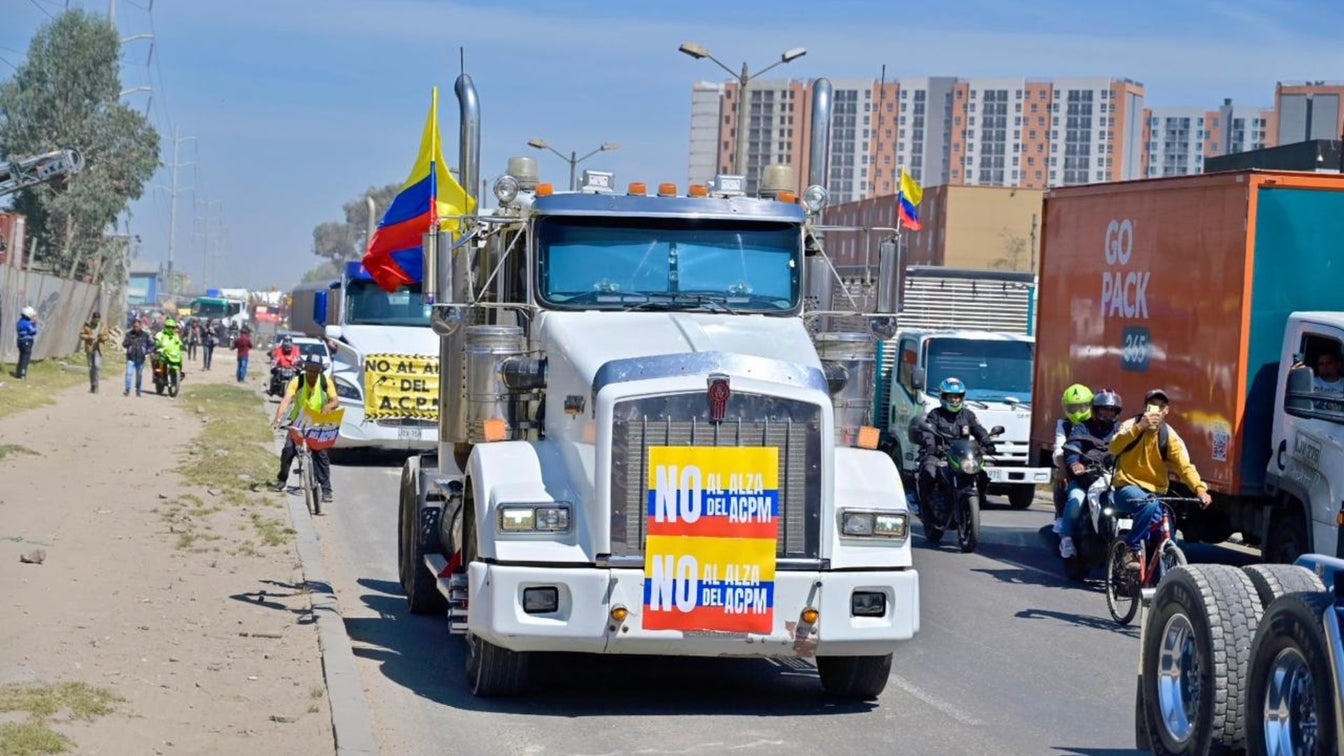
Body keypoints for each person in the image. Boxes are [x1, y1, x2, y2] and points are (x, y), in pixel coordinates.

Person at [1109, 388, 1212, 570]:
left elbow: (1184, 466)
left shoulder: (1168, 435)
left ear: (1166, 411)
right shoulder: (1130, 425)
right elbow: (1114, 447)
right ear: (1145, 408)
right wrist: (1140, 427)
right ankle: (1131, 548)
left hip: (1155, 493)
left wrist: (1200, 489)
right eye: (1152, 405)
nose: (1156, 410)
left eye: (1161, 406)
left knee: (1167, 538)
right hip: (1126, 488)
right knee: (1148, 504)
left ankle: (1162, 587)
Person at [915, 377, 996, 515]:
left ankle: (978, 501)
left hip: (961, 455)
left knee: (981, 474)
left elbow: (978, 429)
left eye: (958, 397)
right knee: (929, 472)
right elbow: (928, 431)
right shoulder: (935, 414)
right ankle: (926, 509)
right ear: (943, 397)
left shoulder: (968, 415)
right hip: (940, 454)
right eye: (951, 397)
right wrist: (930, 446)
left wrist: (987, 442)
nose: (955, 400)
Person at [1057, 389, 1123, 558]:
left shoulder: (1120, 430)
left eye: (1111, 410)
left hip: (1111, 478)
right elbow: (1073, 447)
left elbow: (1130, 449)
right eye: (1104, 409)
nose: (1108, 413)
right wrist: (1075, 463)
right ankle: (1067, 539)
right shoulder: (1082, 427)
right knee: (1075, 500)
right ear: (1096, 410)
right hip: (1084, 479)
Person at [272, 353, 338, 503]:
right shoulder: (298, 381)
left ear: (320, 370)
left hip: (317, 421)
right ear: (305, 367)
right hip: (298, 421)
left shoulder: (325, 382)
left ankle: (326, 489)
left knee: (321, 454)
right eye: (310, 369)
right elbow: (286, 400)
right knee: (288, 450)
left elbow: (335, 400)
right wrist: (277, 418)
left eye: (316, 370)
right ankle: (282, 480)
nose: (313, 373)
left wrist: (329, 405)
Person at [1051, 383, 1094, 533]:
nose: (1078, 411)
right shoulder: (1063, 425)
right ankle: (1061, 517)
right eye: (1073, 408)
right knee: (1062, 481)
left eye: (1082, 407)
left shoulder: (1097, 424)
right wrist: (1063, 467)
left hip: (1097, 466)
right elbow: (1059, 447)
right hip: (1073, 466)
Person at [79, 311, 112, 393]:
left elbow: (107, 336)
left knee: (97, 366)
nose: (96, 320)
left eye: (98, 319)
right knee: (91, 368)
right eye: (95, 319)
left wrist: (102, 338)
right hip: (90, 348)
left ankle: (96, 385)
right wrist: (89, 336)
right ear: (92, 318)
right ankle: (92, 385)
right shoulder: (87, 325)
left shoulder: (103, 326)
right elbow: (81, 335)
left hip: (98, 348)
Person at [122, 318, 154, 396]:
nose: (136, 328)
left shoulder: (145, 335)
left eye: (137, 326)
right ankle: (127, 389)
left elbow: (152, 345)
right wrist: (129, 342)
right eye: (134, 326)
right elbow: (124, 344)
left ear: (140, 326)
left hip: (141, 358)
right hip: (131, 357)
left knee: (139, 375)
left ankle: (138, 389)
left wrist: (147, 352)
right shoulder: (129, 334)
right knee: (129, 374)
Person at [153, 319, 185, 392]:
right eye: (169, 327)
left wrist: (182, 346)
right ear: (165, 327)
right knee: (158, 361)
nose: (170, 329)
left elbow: (179, 343)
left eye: (172, 327)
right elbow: (156, 340)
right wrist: (157, 343)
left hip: (173, 353)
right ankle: (159, 376)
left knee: (180, 360)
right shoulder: (161, 334)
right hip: (163, 353)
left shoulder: (175, 336)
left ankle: (178, 374)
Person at [15, 305, 38, 380]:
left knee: (21, 356)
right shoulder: (27, 324)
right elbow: (33, 332)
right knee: (25, 358)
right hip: (27, 342)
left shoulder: (19, 322)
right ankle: (22, 374)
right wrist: (34, 324)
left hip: (20, 341)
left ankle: (18, 373)